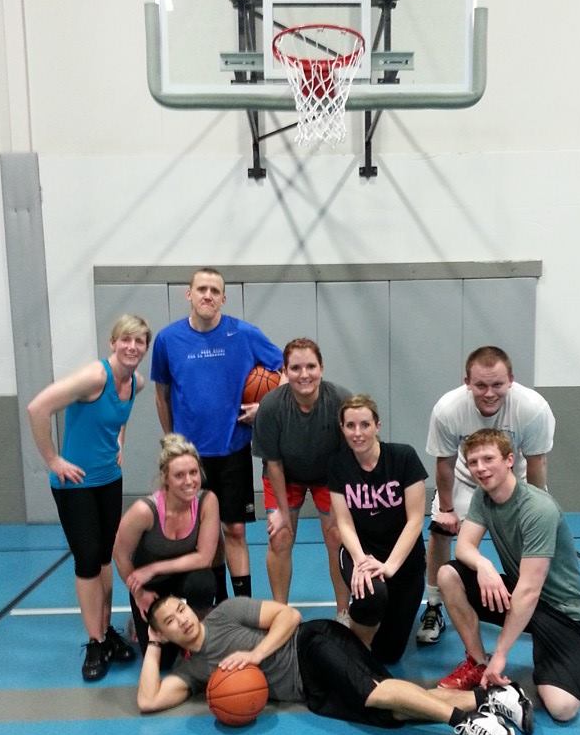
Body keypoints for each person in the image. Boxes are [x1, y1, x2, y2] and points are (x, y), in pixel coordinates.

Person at [137, 593, 536, 735]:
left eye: (180, 610)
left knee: (374, 693)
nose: (182, 620)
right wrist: (153, 647)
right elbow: (149, 701)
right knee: (389, 713)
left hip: (312, 643)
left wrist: (254, 656)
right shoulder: (193, 671)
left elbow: (289, 616)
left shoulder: (226, 613)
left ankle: (467, 726)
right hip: (312, 692)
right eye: (170, 622)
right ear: (167, 633)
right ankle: (491, 698)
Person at [437, 429, 580, 723]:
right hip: (520, 593)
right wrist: (484, 566)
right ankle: (477, 662)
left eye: (488, 459)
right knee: (448, 575)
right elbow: (464, 547)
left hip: (559, 610)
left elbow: (529, 591)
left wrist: (501, 655)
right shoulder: (483, 498)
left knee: (563, 709)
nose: (481, 468)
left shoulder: (537, 509)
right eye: (473, 462)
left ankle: (565, 646)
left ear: (509, 460)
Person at [27, 314, 150, 681]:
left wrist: (120, 444)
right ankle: (95, 642)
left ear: (145, 348)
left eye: (139, 342)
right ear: (113, 343)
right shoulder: (96, 377)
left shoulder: (136, 382)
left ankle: (107, 630)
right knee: (86, 560)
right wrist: (53, 459)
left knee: (104, 556)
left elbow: (119, 418)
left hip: (109, 479)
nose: (132, 347)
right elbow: (38, 407)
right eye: (125, 340)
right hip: (75, 483)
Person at [150, 267, 282, 602]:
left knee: (234, 529)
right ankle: (216, 601)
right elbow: (161, 393)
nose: (208, 295)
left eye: (215, 291)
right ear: (189, 294)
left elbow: (286, 375)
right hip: (190, 458)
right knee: (200, 534)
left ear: (223, 298)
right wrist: (171, 440)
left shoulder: (244, 334)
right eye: (202, 289)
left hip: (233, 449)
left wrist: (262, 409)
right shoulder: (168, 340)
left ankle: (242, 607)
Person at [416, 345, 556, 648]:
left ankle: (533, 603)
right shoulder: (448, 409)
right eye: (480, 385)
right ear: (467, 381)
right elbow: (444, 464)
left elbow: (536, 463)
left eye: (497, 385)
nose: (489, 393)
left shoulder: (532, 407)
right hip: (467, 479)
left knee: (530, 535)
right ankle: (434, 605)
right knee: (440, 530)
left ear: (511, 380)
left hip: (512, 478)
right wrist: (448, 509)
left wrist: (535, 507)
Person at [252, 338, 351, 620]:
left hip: (329, 476)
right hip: (285, 476)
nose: (304, 374)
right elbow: (273, 463)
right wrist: (282, 512)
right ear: (285, 370)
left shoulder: (340, 401)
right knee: (280, 537)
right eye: (296, 368)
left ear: (322, 368)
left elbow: (349, 459)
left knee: (337, 537)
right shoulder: (271, 406)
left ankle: (343, 613)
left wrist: (342, 510)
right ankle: (281, 614)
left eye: (311, 366)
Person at [328, 395, 427, 664]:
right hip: (362, 552)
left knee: (389, 654)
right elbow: (344, 523)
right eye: (350, 426)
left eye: (364, 424)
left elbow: (416, 520)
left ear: (377, 426)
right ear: (343, 428)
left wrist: (390, 566)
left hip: (403, 559)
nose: (357, 433)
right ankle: (354, 648)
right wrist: (360, 562)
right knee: (372, 594)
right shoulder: (338, 465)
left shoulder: (403, 457)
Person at [113, 434, 220, 668]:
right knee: (163, 663)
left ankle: (195, 628)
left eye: (193, 472)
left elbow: (204, 557)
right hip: (151, 588)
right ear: (166, 479)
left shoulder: (207, 501)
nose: (189, 481)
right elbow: (120, 555)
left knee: (203, 582)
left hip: (184, 578)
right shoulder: (144, 511)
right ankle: (137, 622)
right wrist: (140, 593)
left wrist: (154, 567)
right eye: (179, 475)